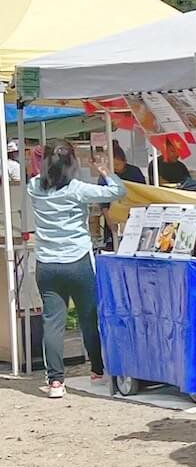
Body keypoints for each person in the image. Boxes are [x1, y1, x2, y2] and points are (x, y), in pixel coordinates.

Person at [27, 141, 125, 397]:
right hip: (78, 260)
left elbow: (38, 173)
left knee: (53, 322)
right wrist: (105, 170)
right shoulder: (77, 189)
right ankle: (97, 369)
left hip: (47, 263)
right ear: (73, 164)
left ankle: (56, 382)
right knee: (88, 317)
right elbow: (117, 191)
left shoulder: (34, 187)